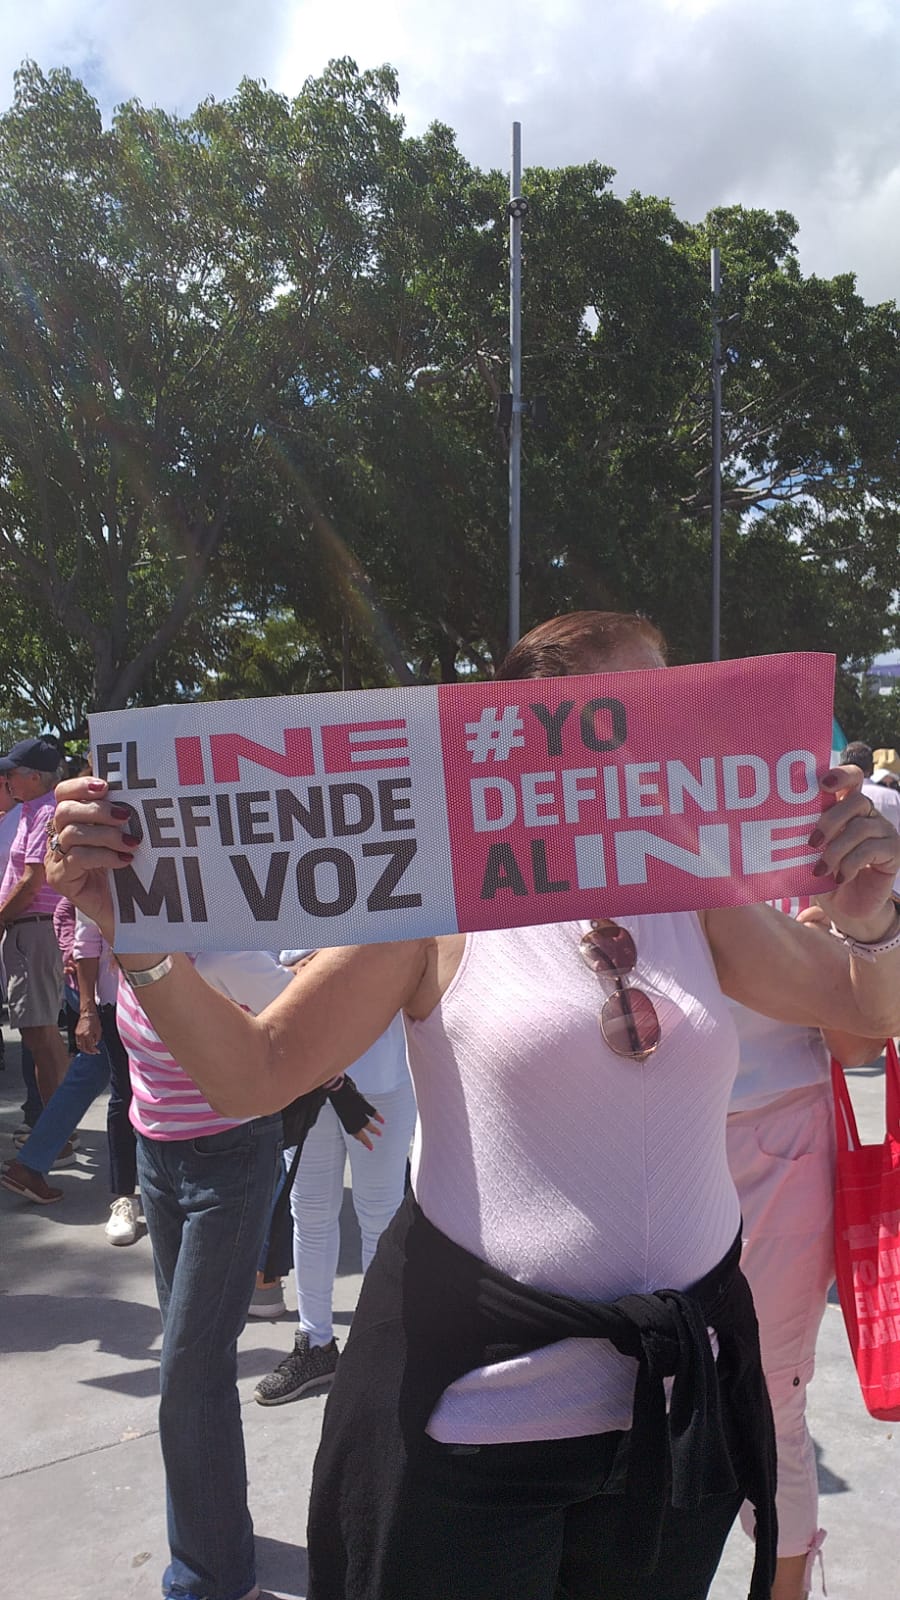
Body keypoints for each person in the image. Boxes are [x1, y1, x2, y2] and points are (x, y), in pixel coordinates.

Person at [47, 611, 900, 1600]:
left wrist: (873, 909)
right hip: (480, 1423)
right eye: (625, 707)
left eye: (674, 702)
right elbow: (255, 1068)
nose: (661, 732)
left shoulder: (696, 888)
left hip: (675, 1410)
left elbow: (860, 1007)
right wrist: (138, 944)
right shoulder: (439, 895)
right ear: (527, 726)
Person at [726, 899, 884, 1600]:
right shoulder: (626, 816)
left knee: (770, 1396)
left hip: (775, 1140)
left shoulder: (805, 831)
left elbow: (859, 1044)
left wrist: (836, 944)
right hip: (634, 1141)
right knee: (638, 1393)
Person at [254, 972, 416, 1405]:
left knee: (380, 1217)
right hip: (302, 1075)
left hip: (380, 1074)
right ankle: (315, 1341)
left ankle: (378, 1348)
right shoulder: (280, 904)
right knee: (307, 1212)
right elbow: (269, 976)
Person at [0, 737, 69, 1106]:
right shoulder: (34, 810)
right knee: (41, 1035)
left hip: (35, 928)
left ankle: (55, 1133)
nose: (8, 778)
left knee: (41, 1035)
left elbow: (32, 881)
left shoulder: (46, 812)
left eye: (12, 772)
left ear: (35, 777)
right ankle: (57, 1130)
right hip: (31, 929)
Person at [841, 740, 900, 888]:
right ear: (872, 769)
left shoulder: (834, 796)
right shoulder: (894, 797)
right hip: (891, 884)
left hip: (842, 885)